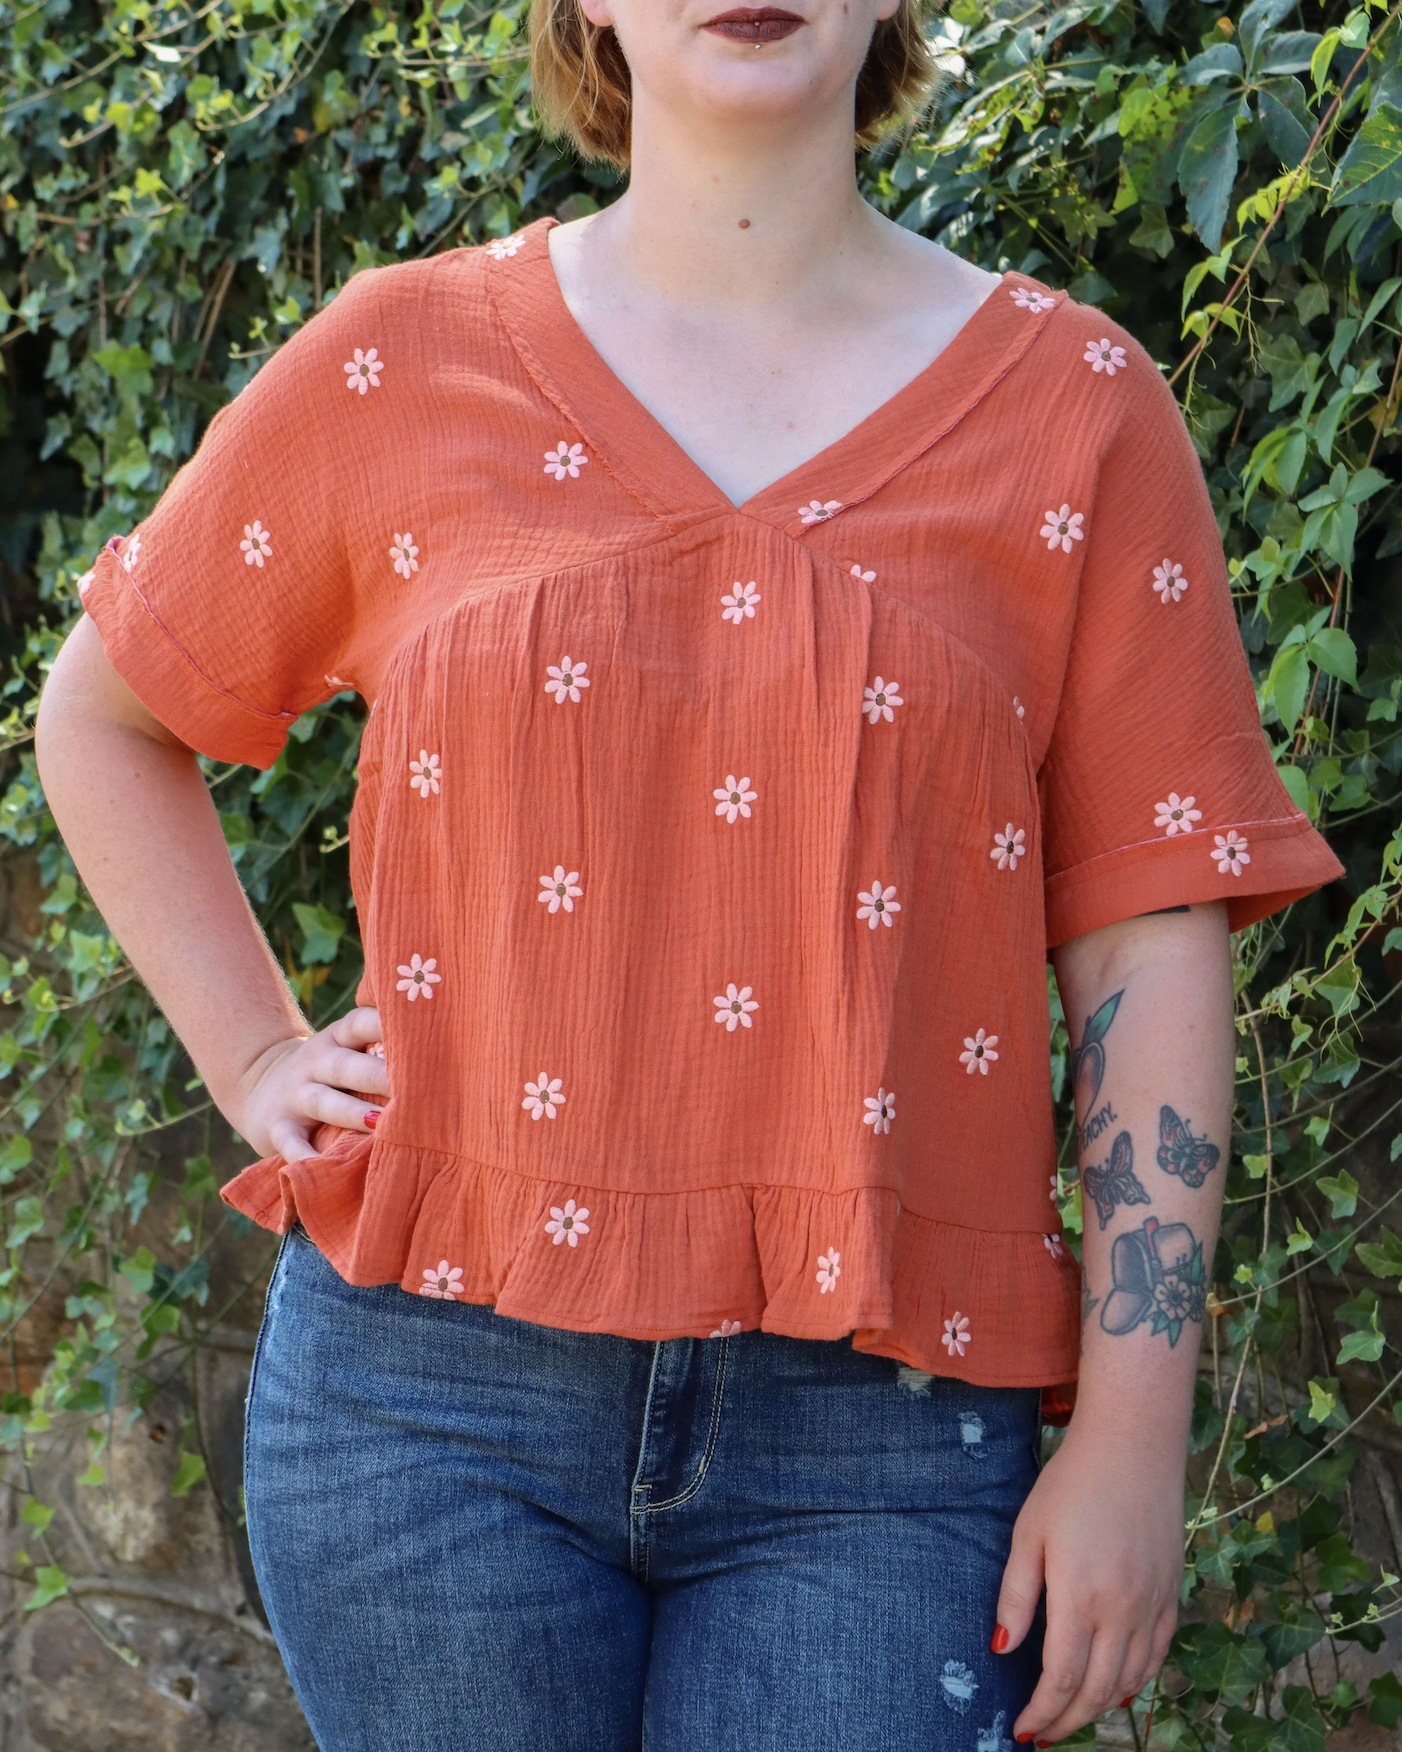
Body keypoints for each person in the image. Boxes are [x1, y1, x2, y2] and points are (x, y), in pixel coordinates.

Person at [34, 2, 1341, 1748]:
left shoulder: (1075, 414)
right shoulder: (400, 358)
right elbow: (108, 714)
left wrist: (1131, 1438)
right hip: (427, 1404)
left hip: (882, 1438)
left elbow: (1147, 936)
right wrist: (257, 1052)